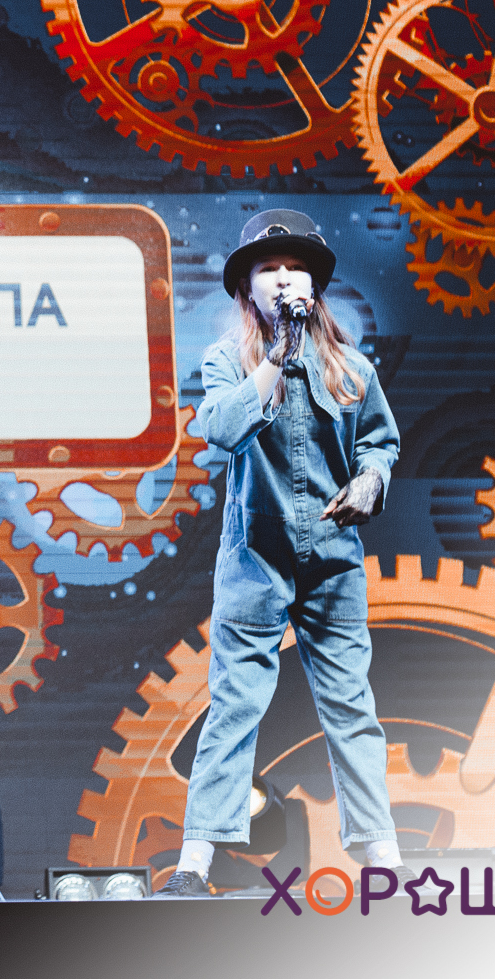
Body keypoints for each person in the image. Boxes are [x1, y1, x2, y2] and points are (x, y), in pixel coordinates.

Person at [156, 210, 403, 897]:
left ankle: (385, 862)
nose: (284, 278)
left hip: (332, 559)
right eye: (268, 268)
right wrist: (277, 357)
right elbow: (222, 428)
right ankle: (193, 864)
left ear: (315, 286)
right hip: (254, 559)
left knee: (350, 706)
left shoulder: (352, 367)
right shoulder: (225, 361)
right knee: (233, 706)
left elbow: (379, 442)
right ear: (247, 288)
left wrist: (371, 480)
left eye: (296, 267)